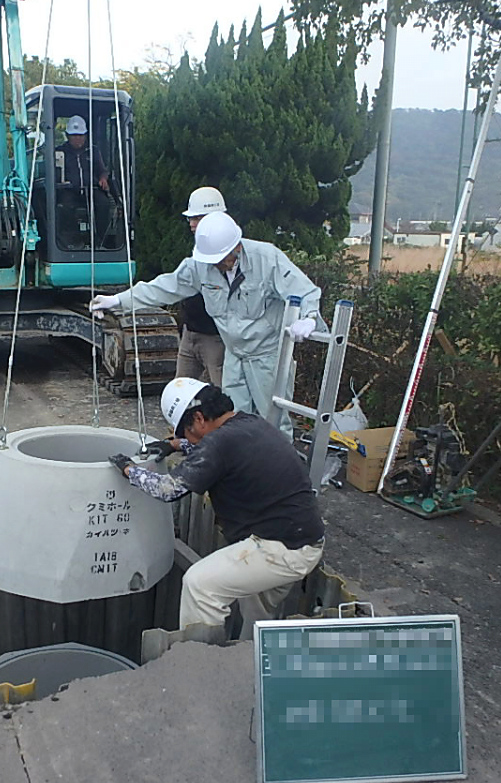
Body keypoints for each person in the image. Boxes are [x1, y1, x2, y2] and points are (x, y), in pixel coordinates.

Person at [108, 378, 325, 631]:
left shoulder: (219, 443)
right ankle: (251, 658)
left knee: (200, 586)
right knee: (257, 614)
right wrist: (174, 445)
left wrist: (129, 469)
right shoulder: (249, 424)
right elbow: (218, 452)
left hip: (279, 548)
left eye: (183, 431)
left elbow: (167, 489)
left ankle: (201, 662)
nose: (183, 437)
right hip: (302, 539)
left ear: (199, 418)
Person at [90, 211, 322, 434]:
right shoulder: (200, 265)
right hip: (235, 354)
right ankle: (241, 470)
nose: (216, 265)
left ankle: (278, 472)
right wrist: (118, 300)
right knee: (235, 420)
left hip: (268, 356)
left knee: (274, 423)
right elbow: (164, 287)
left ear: (237, 247)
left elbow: (304, 291)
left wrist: (309, 318)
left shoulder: (267, 259)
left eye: (221, 259)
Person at [176, 187, 227, 387]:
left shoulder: (229, 249)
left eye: (197, 218)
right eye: (190, 218)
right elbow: (173, 285)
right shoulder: (198, 248)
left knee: (226, 395)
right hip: (190, 333)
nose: (191, 224)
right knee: (180, 391)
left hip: (215, 338)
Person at [55, 115, 112, 246]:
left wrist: (103, 178)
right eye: (74, 135)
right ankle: (71, 242)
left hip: (91, 189)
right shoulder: (59, 152)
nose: (77, 138)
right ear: (67, 136)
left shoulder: (93, 151)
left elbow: (103, 170)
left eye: (80, 135)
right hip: (69, 190)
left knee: (104, 204)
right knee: (64, 207)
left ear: (86, 135)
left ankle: (99, 241)